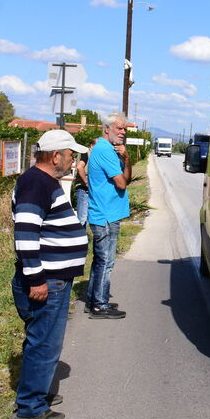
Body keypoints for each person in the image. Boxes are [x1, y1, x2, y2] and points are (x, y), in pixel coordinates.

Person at [11, 130, 89, 419]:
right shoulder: (36, 183)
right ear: (56, 156)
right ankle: (31, 406)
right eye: (71, 156)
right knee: (45, 343)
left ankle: (36, 391)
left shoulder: (42, 181)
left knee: (40, 340)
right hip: (48, 280)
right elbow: (26, 234)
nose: (73, 162)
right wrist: (36, 279)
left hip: (53, 278)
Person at [86, 112, 131, 319]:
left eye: (124, 129)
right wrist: (121, 162)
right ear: (107, 129)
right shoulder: (104, 150)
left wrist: (126, 157)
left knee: (100, 261)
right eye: (119, 128)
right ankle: (99, 305)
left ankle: (94, 299)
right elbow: (121, 183)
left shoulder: (111, 151)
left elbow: (126, 178)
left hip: (108, 213)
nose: (123, 132)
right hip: (105, 214)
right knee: (106, 261)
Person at [73, 138, 97, 227]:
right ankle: (79, 238)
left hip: (90, 189)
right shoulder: (86, 153)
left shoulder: (95, 155)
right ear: (92, 146)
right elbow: (79, 167)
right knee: (82, 218)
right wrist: (86, 183)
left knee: (87, 218)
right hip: (84, 189)